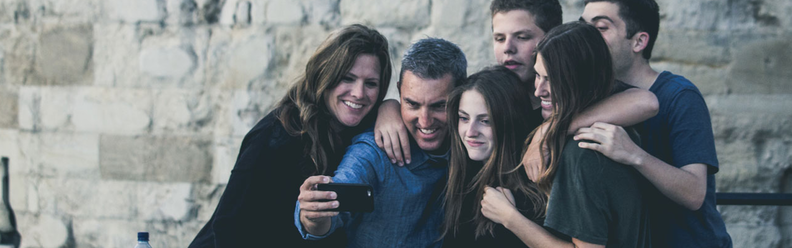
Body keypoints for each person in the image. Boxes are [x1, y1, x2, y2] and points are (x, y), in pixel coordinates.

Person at [376, 0, 659, 172]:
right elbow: (434, 103)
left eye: (522, 37)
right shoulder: (486, 89)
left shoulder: (567, 95)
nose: (507, 48)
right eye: (499, 38)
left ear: (552, 38)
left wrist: (551, 130)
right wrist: (388, 108)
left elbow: (645, 101)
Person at [188, 24, 392, 248]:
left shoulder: (360, 133)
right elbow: (228, 226)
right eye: (347, 78)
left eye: (370, 83)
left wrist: (389, 109)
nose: (359, 93)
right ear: (325, 75)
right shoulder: (276, 136)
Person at [575, 0, 732, 247]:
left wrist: (634, 155)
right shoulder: (593, 96)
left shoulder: (680, 96)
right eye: (584, 27)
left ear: (639, 41)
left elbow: (694, 193)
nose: (587, 38)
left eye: (601, 28)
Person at [482, 21, 653, 247]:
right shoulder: (606, 117)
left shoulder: (583, 152)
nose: (538, 90)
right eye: (537, 75)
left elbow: (648, 101)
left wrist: (510, 218)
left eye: (551, 79)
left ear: (580, 79)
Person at [295, 38, 467, 247]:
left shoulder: (472, 141)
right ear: (399, 91)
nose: (424, 121)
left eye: (440, 106)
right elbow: (333, 211)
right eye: (412, 104)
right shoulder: (375, 151)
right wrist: (313, 216)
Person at [440, 66, 546, 247]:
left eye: (485, 121)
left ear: (510, 122)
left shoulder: (532, 191)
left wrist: (512, 219)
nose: (470, 132)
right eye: (464, 118)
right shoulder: (460, 173)